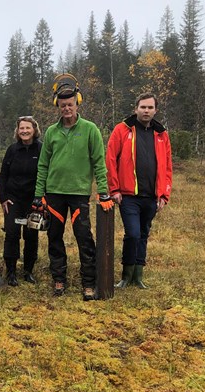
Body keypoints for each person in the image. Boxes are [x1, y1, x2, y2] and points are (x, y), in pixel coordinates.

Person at [32, 75, 113, 300]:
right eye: (63, 105)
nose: (66, 108)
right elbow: (43, 165)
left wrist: (103, 191)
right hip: (54, 194)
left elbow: (99, 162)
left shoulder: (90, 129)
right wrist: (39, 195)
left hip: (79, 194)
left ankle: (89, 283)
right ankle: (59, 280)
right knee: (54, 238)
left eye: (70, 104)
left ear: (77, 103)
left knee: (84, 238)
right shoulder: (51, 132)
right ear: (57, 106)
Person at [105, 92, 172, 288]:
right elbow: (110, 159)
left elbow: (167, 166)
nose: (146, 110)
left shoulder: (161, 134)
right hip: (127, 195)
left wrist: (163, 195)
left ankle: (138, 276)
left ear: (155, 110)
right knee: (133, 233)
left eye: (150, 107)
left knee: (143, 234)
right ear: (136, 109)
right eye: (143, 107)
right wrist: (114, 189)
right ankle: (126, 275)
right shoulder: (122, 130)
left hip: (151, 196)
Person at [0, 116, 42, 286]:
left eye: (27, 128)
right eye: (21, 128)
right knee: (12, 235)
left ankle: (28, 272)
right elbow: (3, 175)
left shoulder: (41, 149)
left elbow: (45, 174)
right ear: (17, 131)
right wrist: (3, 198)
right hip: (13, 200)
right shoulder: (12, 150)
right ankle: (11, 273)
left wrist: (42, 198)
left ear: (34, 130)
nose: (24, 131)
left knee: (31, 236)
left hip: (33, 201)